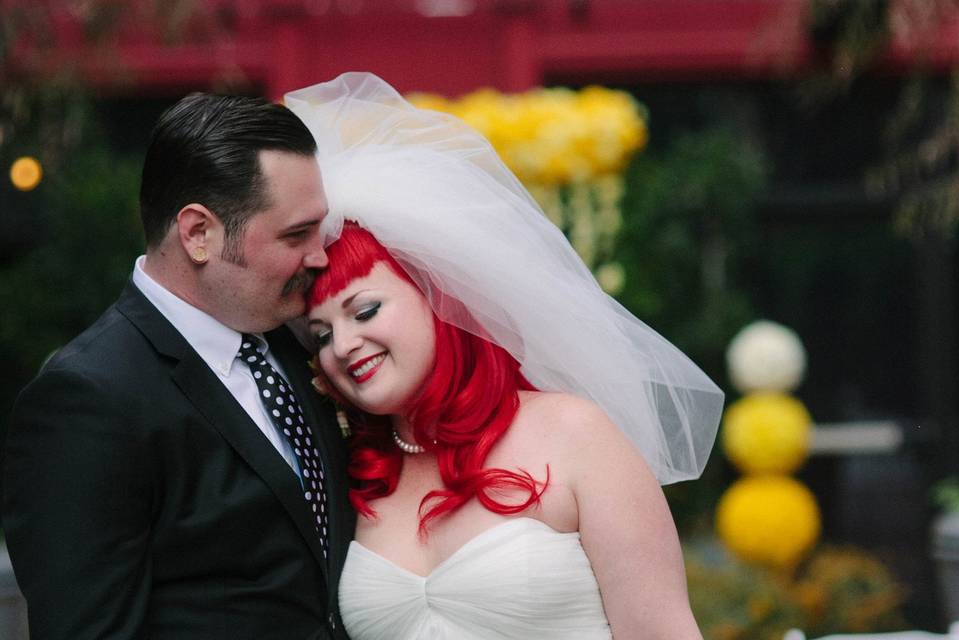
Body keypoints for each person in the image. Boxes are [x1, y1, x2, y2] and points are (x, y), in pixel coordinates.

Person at [288, 73, 725, 639]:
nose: (342, 346)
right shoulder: (349, 470)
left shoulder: (574, 432)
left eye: (365, 311)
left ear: (437, 293)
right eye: (320, 334)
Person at [2, 93, 354, 639]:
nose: (320, 255)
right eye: (294, 235)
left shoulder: (303, 344)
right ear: (198, 234)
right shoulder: (88, 399)